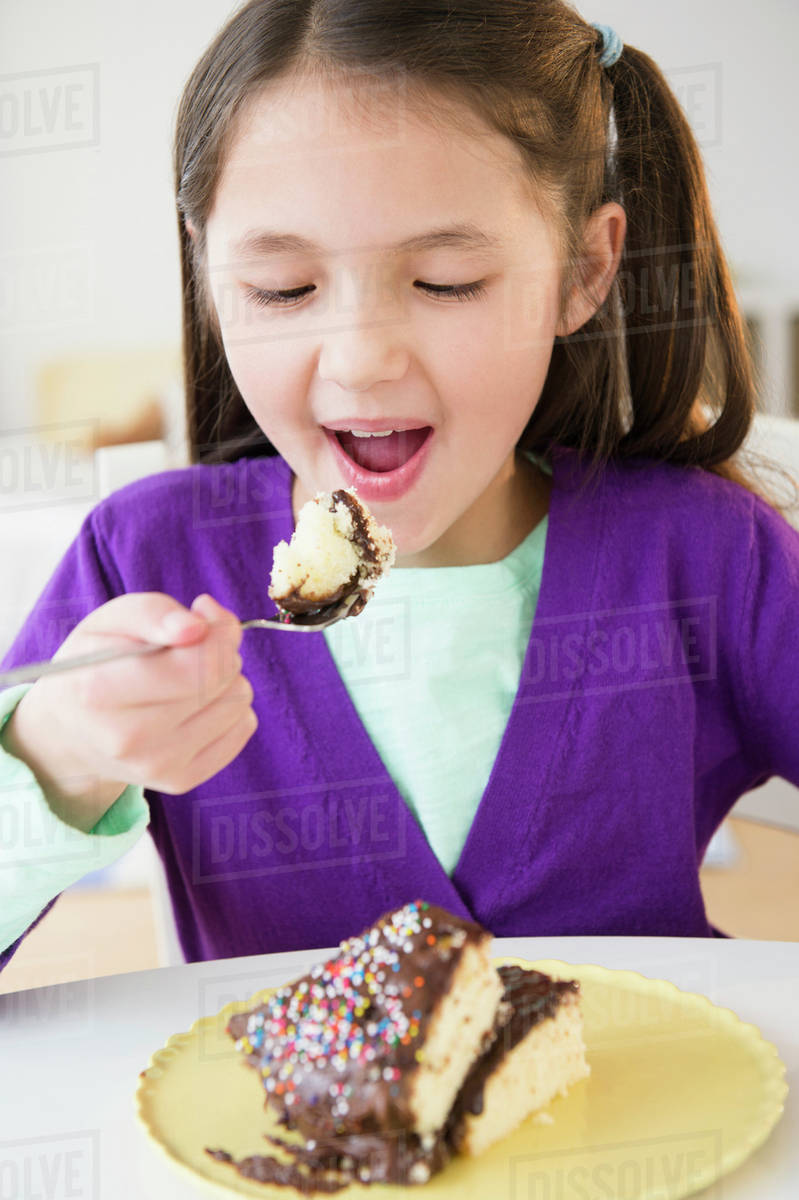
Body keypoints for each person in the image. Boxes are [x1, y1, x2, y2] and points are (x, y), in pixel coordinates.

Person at [1, 0, 797, 971]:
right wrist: (59, 759)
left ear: (584, 272)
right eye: (283, 290)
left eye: (447, 280)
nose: (361, 361)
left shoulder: (704, 554)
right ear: (212, 281)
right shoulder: (145, 559)